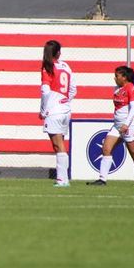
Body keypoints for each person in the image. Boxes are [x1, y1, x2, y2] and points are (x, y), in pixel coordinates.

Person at [87, 66, 134, 187]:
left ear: (124, 77)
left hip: (130, 126)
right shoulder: (117, 88)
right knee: (106, 148)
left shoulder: (131, 88)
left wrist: (126, 124)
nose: (114, 78)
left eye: (117, 76)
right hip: (117, 126)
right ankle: (102, 180)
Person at [39, 40, 77, 187]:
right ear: (59, 52)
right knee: (59, 144)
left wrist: (43, 110)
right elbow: (73, 89)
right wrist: (65, 101)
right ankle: (63, 179)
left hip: (54, 111)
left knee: (58, 145)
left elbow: (45, 91)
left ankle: (62, 179)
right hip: (65, 110)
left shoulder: (48, 67)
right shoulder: (66, 66)